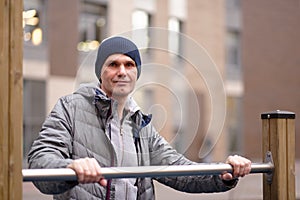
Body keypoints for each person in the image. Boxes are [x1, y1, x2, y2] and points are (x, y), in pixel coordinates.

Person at [28, 36, 251, 200]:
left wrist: (223, 173)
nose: (122, 71)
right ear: (101, 72)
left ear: (137, 73)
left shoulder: (141, 124)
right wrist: (71, 168)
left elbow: (179, 171)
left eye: (129, 64)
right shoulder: (70, 108)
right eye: (113, 64)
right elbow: (40, 163)